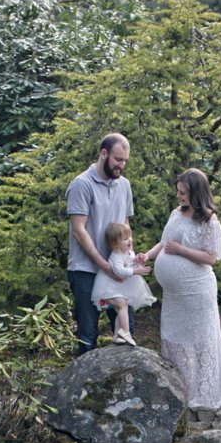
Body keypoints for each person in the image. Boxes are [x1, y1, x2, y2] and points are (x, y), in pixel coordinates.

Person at [142, 168, 221, 409]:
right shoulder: (175, 213)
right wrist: (146, 256)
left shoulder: (209, 220)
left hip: (197, 292)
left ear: (197, 193)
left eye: (184, 193)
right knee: (174, 338)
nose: (179, 196)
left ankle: (203, 394)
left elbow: (211, 257)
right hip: (174, 296)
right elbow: (164, 242)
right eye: (178, 192)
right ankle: (181, 391)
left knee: (199, 340)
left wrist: (181, 251)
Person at [65, 133, 151, 355]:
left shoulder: (124, 185)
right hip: (86, 270)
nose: (121, 165)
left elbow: (125, 225)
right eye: (117, 159)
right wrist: (105, 265)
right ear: (103, 154)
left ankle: (123, 388)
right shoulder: (81, 185)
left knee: (126, 330)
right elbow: (78, 230)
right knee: (87, 334)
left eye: (125, 161)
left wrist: (131, 257)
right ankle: (85, 388)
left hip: (118, 269)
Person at [91, 222, 156, 347]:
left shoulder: (129, 253)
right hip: (108, 287)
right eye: (125, 239)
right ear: (115, 244)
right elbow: (119, 271)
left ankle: (117, 335)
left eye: (130, 237)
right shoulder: (116, 256)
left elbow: (131, 264)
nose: (129, 240)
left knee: (121, 308)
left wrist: (137, 261)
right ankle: (125, 332)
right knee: (122, 305)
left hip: (119, 287)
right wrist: (135, 271)